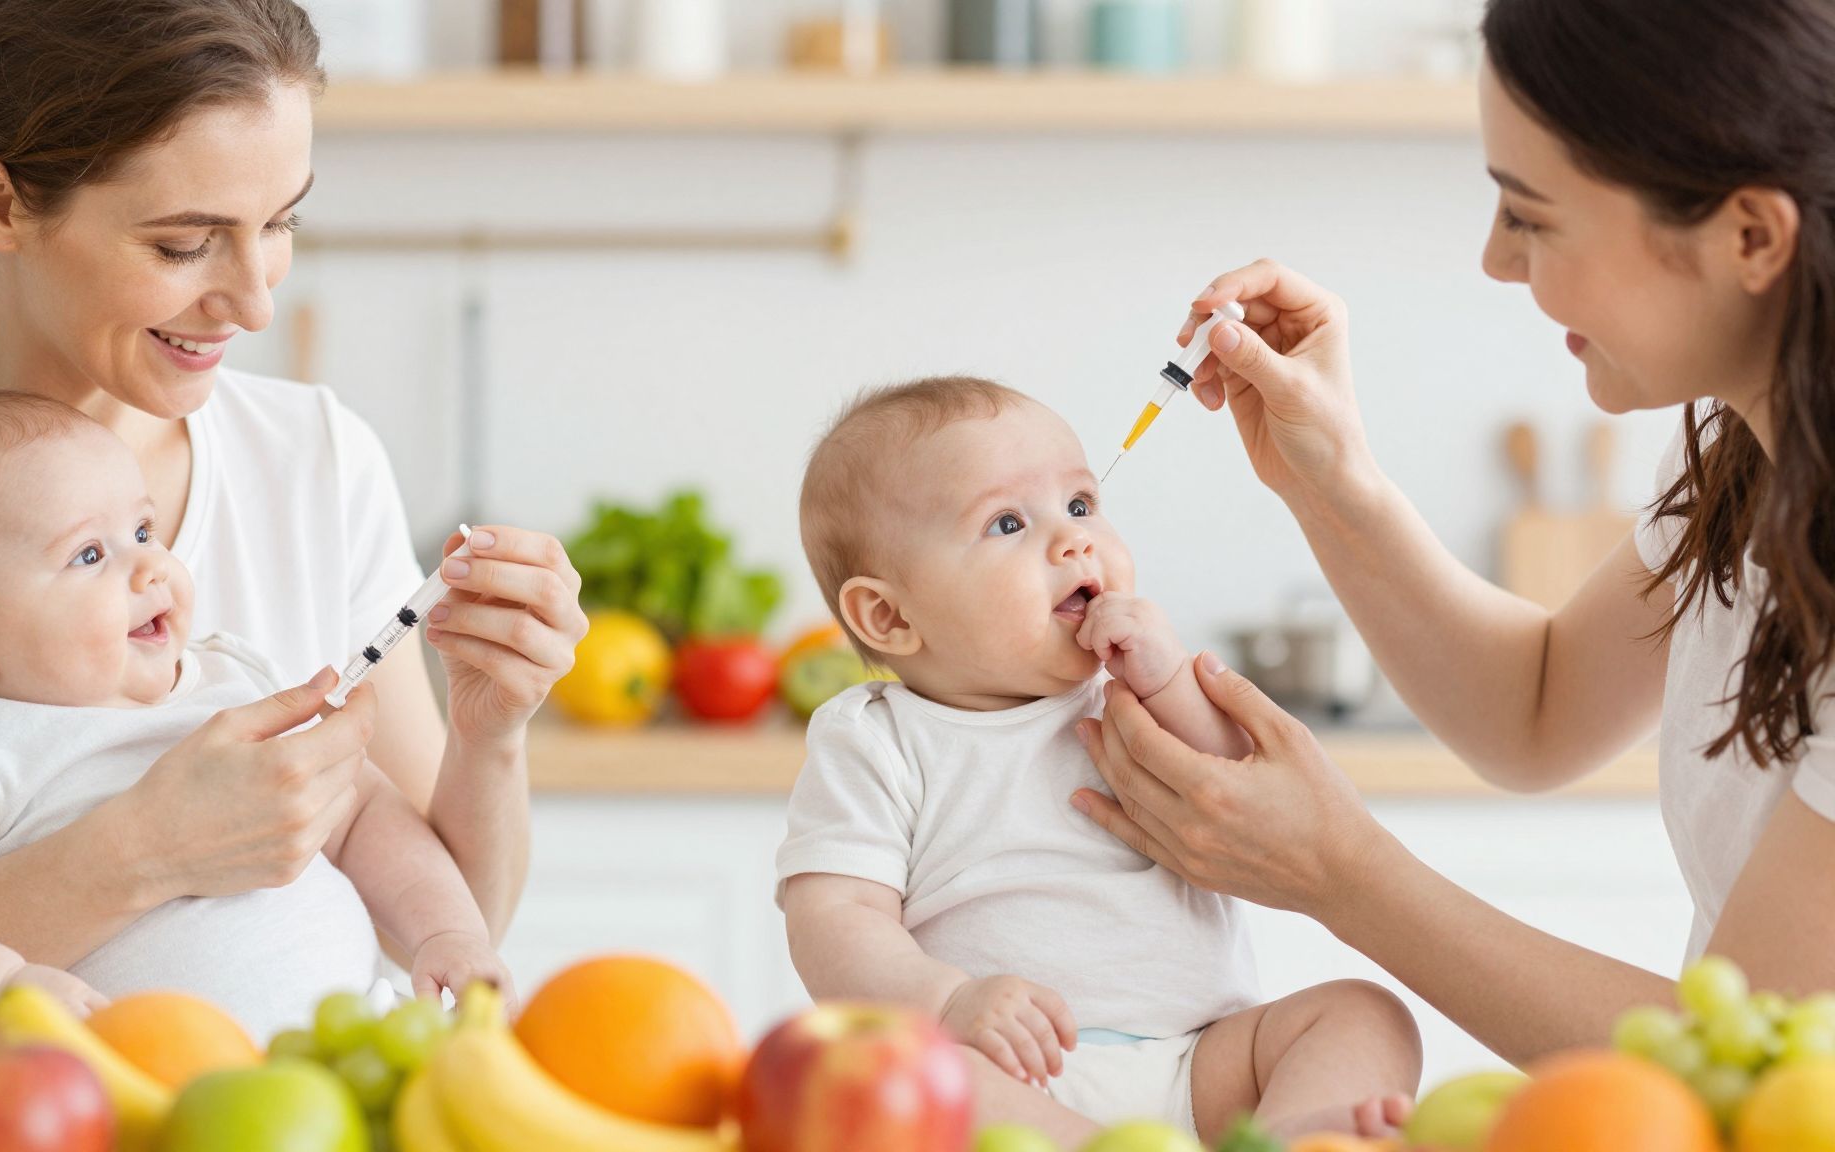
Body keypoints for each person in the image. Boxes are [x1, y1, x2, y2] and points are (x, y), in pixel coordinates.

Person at [1071, 0, 1835, 1072]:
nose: (1494, 261)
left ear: (1748, 236)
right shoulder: (1743, 447)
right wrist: (1329, 480)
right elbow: (1534, 710)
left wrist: (1337, 871)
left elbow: (1756, 1064)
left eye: (1530, 216)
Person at [0, 0, 586, 972]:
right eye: (181, 244)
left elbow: (435, 938)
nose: (255, 299)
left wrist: (490, 735)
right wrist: (143, 852)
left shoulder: (316, 459)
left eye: (281, 220)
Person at [777, 377, 1421, 1145]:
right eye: (1008, 522)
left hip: (1203, 1062)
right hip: (1011, 1077)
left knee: (1364, 1013)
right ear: (889, 614)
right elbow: (834, 920)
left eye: (1081, 505)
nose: (1074, 540)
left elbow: (1254, 793)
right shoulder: (875, 737)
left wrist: (1174, 683)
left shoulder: (1138, 693)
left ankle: (1292, 1138)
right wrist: (946, 1003)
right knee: (883, 1070)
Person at [0, 393, 512, 1035]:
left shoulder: (231, 677)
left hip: (352, 1055)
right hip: (151, 1102)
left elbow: (361, 814)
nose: (150, 568)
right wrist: (1, 982)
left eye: (144, 530)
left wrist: (446, 931)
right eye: (89, 554)